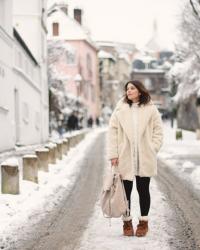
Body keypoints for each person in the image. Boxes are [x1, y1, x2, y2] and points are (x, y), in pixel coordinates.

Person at [108, 80, 163, 237]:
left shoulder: (151, 109)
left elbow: (158, 130)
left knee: (143, 190)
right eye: (127, 89)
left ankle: (143, 223)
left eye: (132, 88)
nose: (129, 91)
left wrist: (153, 148)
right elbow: (112, 132)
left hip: (144, 156)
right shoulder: (120, 110)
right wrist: (113, 154)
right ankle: (127, 222)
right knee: (125, 191)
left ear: (140, 90)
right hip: (125, 156)